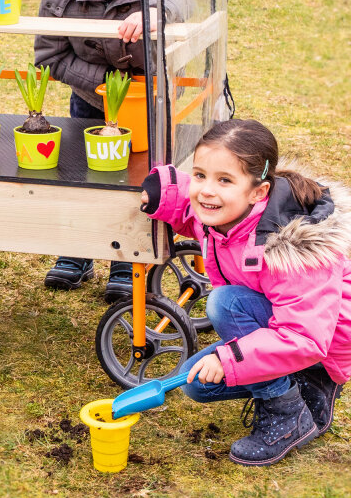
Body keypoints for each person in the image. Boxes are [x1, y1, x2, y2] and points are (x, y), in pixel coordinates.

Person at [139, 118, 349, 466]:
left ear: (259, 192)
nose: (206, 190)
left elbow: (306, 337)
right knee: (196, 384)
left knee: (225, 303)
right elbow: (193, 214)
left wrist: (227, 358)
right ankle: (286, 379)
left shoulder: (292, 249)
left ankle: (290, 412)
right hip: (278, 325)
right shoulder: (230, 212)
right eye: (201, 174)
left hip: (319, 348)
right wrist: (165, 195)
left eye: (224, 180)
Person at [27, 0, 188, 299]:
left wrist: (154, 12)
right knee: (83, 176)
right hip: (90, 102)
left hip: (149, 102)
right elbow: (49, 57)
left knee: (137, 179)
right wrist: (106, 85)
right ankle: (77, 252)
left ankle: (124, 259)